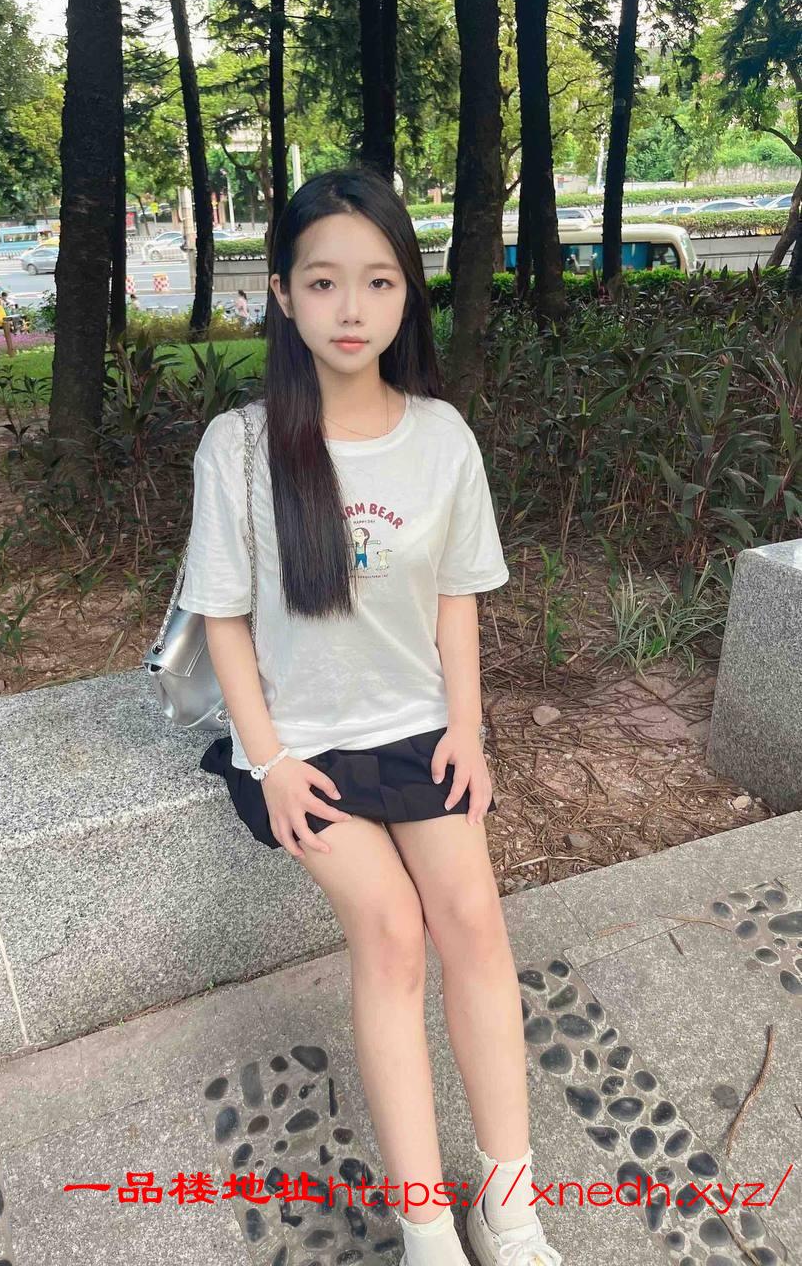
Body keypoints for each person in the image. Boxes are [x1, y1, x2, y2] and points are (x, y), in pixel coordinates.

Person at [177, 165, 561, 1266]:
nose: (352, 308)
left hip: (417, 729)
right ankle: (426, 1220)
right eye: (324, 281)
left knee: (474, 922)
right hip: (298, 748)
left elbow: (456, 600)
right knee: (391, 932)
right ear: (283, 294)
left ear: (407, 295)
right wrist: (268, 760)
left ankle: (510, 1203)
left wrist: (466, 729)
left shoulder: (441, 438)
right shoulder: (239, 446)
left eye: (380, 281)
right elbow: (224, 619)